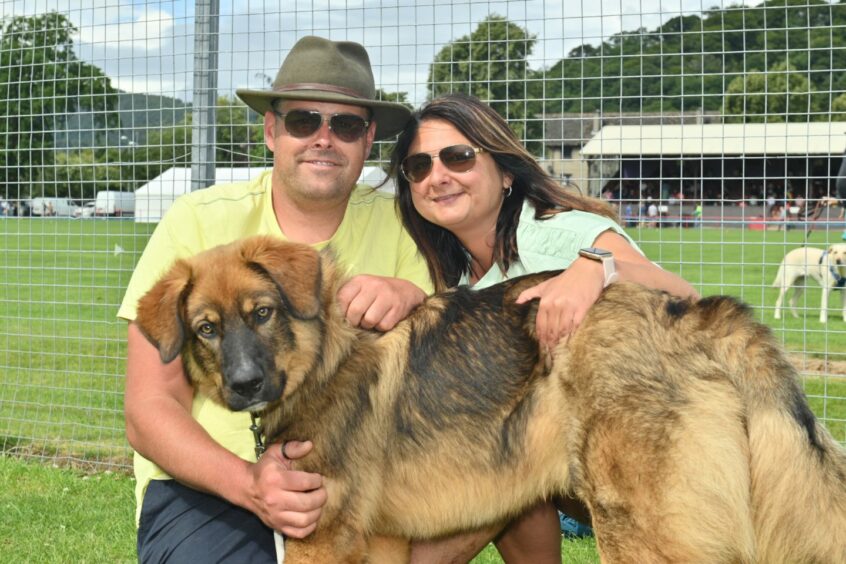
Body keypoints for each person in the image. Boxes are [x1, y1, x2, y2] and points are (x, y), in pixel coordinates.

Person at [119, 36, 433, 562]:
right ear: (272, 130)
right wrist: (248, 483)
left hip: (369, 478)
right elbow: (148, 406)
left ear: (368, 138)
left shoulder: (405, 225)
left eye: (347, 125)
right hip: (211, 485)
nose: (324, 139)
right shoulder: (196, 222)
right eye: (304, 121)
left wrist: (413, 293)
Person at [389, 93, 699, 563]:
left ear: (506, 171)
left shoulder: (560, 231)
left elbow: (686, 297)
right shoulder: (455, 277)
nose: (438, 176)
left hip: (651, 445)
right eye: (419, 167)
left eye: (459, 157)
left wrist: (596, 268)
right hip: (554, 461)